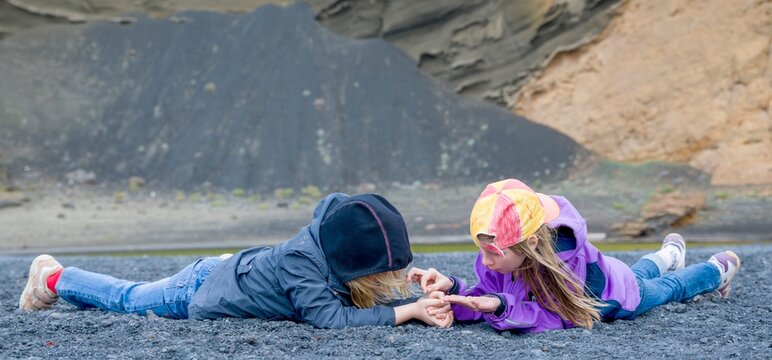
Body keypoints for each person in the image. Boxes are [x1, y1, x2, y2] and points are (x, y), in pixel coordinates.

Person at [19, 193, 452, 329]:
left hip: (233, 268)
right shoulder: (301, 265)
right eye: (386, 269)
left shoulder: (332, 232)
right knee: (131, 298)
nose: (391, 277)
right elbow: (331, 319)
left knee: (132, 296)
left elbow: (369, 281)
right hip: (202, 287)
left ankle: (58, 278)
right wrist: (410, 309)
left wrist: (428, 282)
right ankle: (55, 276)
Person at [408, 179, 741, 333]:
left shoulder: (563, 271)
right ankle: (669, 252)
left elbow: (555, 316)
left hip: (618, 294)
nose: (486, 261)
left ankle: (717, 270)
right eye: (481, 250)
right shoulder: (502, 258)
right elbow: (485, 298)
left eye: (493, 252)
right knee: (638, 270)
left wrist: (501, 306)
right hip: (614, 269)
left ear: (531, 245)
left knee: (667, 289)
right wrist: (452, 289)